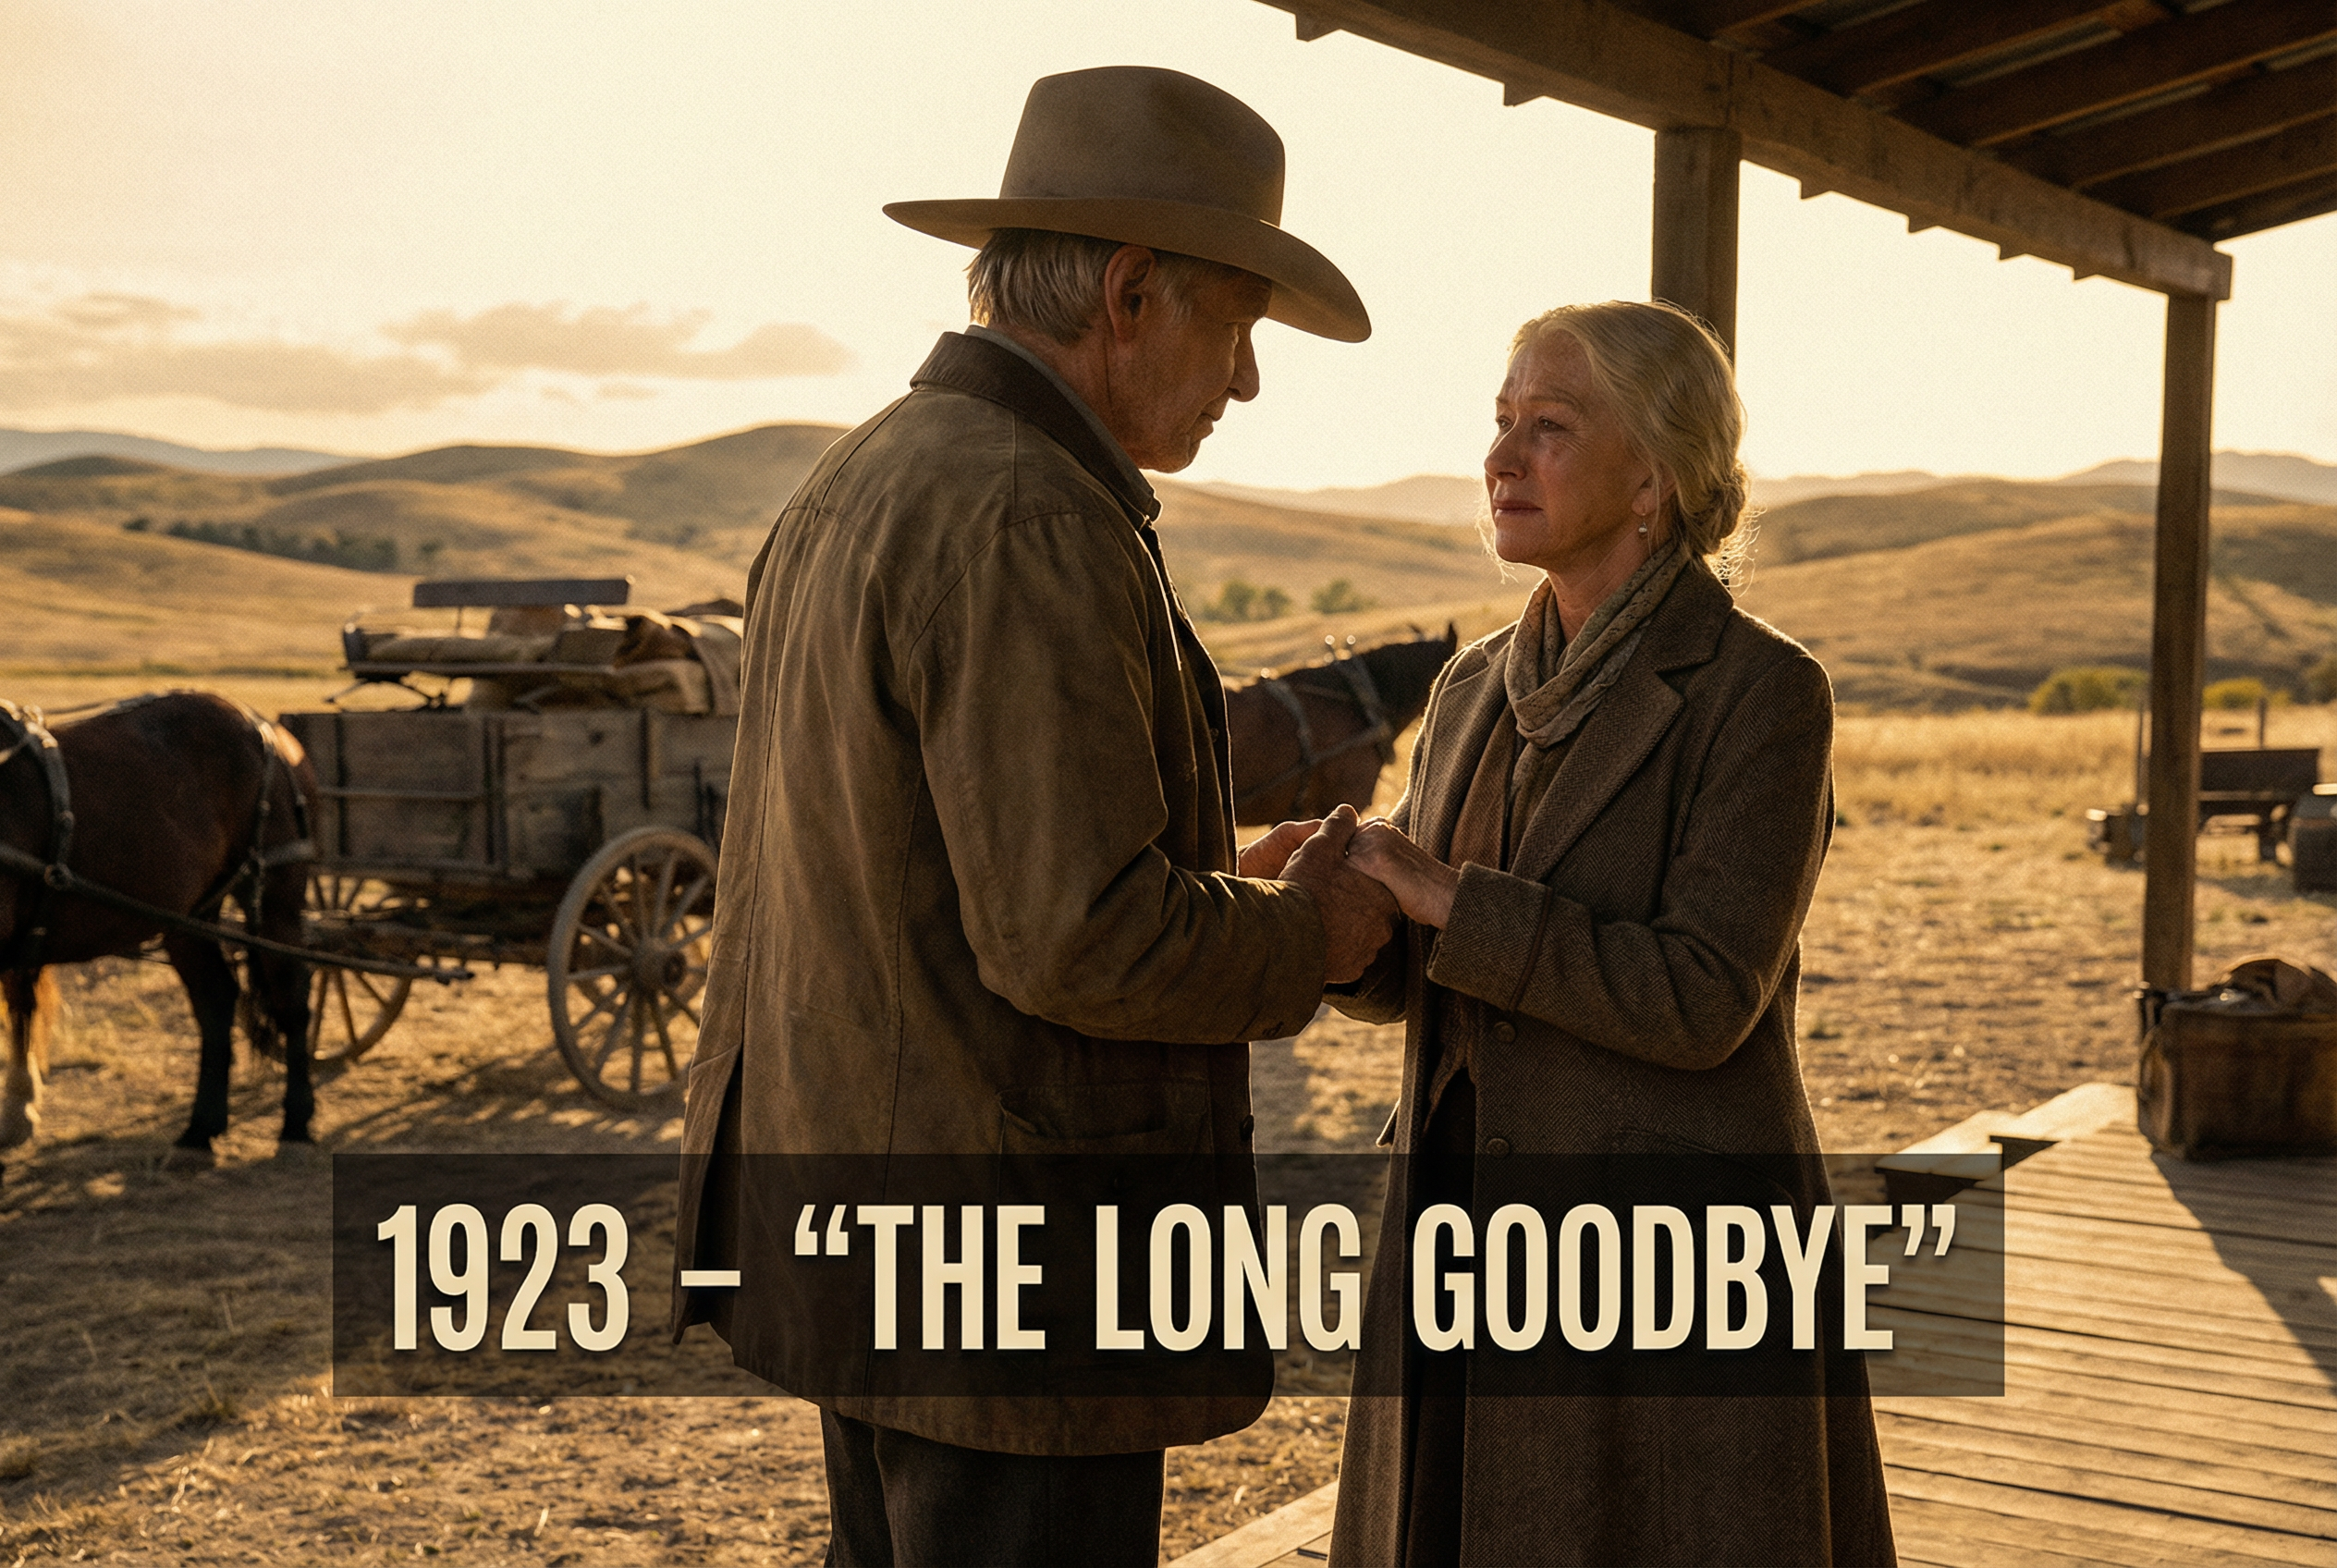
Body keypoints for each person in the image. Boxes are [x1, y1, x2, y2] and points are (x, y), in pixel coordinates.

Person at [669, 66, 1398, 1567]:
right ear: (1132, 292)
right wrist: (1304, 932)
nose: (1246, 381)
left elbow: (950, 872)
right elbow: (1081, 939)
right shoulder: (1033, 513)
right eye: (1239, 326)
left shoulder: (867, 470)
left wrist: (1221, 887)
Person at [1289, 300, 1896, 1564]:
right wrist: (1336, 916)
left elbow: (1703, 993)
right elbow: (1424, 966)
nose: (1503, 458)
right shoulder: (1467, 689)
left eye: (1550, 427)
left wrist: (1450, 898)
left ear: (1655, 486)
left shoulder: (1762, 694)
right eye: (1501, 422)